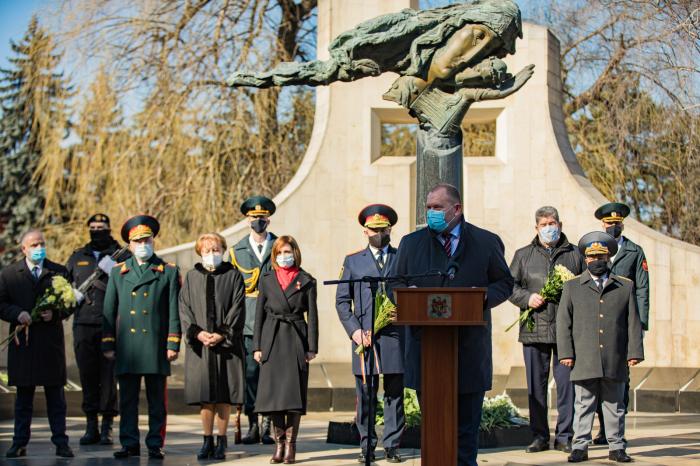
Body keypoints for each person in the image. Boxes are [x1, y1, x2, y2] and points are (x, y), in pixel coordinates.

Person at [395, 183, 514, 466]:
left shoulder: (486, 242)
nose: (431, 213)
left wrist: (481, 300)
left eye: (437, 207)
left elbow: (505, 282)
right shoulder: (411, 244)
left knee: (465, 431)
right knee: (434, 429)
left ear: (456, 209)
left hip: (469, 352)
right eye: (428, 207)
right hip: (427, 352)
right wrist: (409, 299)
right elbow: (394, 284)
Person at [557, 231, 644, 463]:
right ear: (586, 259)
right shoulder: (572, 286)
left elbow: (633, 322)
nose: (597, 261)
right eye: (592, 257)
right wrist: (565, 353)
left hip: (614, 357)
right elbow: (563, 321)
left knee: (615, 405)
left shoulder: (624, 286)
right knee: (583, 404)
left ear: (609, 259)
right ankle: (580, 447)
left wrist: (634, 352)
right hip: (584, 357)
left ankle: (617, 447)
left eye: (601, 257)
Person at [102, 215, 181, 459]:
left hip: (156, 345)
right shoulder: (118, 272)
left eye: (146, 240)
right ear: (130, 245)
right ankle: (129, 443)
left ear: (153, 241)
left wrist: (172, 342)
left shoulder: (167, 271)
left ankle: (155, 443)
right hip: (129, 347)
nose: (143, 245)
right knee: (127, 400)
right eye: (138, 241)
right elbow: (109, 310)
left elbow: (173, 310)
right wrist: (108, 342)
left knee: (157, 401)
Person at [508, 206, 584, 453]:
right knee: (536, 388)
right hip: (534, 330)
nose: (549, 228)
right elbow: (509, 286)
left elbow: (585, 286)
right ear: (536, 228)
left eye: (553, 223)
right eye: (544, 224)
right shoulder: (523, 255)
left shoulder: (575, 254)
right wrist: (527, 298)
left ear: (560, 225)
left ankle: (565, 436)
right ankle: (539, 436)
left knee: (566, 387)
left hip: (566, 332)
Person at [335, 204, 405, 463]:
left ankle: (392, 445)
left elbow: (411, 292)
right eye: (374, 229)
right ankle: (367, 446)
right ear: (365, 231)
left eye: (383, 229)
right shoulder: (353, 261)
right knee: (366, 394)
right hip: (365, 338)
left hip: (395, 336)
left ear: (390, 229)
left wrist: (405, 313)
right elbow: (342, 301)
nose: (379, 233)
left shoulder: (401, 257)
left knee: (394, 393)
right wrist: (354, 332)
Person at [0, 229, 76, 458]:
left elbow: (70, 303)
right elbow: (1, 303)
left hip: (49, 344)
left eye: (41, 243)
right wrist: (18, 314)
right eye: (33, 244)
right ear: (23, 249)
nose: (38, 248)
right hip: (24, 344)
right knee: (24, 398)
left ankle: (61, 442)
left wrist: (55, 313)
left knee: (56, 398)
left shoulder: (58, 272)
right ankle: (19, 442)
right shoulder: (9, 274)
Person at [179, 233, 246, 460]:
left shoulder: (233, 275)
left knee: (224, 396)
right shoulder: (191, 277)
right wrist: (197, 333)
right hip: (201, 346)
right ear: (200, 252)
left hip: (226, 346)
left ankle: (221, 439)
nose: (211, 254)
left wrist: (222, 333)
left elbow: (238, 307)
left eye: (216, 249)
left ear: (223, 250)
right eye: (207, 250)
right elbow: (185, 308)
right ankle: (206, 439)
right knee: (206, 396)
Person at [253, 236, 318, 464]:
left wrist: (312, 348)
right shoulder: (267, 278)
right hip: (272, 338)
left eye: (287, 252)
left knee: (293, 397)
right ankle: (278, 443)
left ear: (295, 253)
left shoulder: (306, 280)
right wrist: (257, 346)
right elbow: (258, 314)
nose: (283, 257)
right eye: (279, 253)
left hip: (295, 339)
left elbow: (313, 316)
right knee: (273, 397)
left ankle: (291, 445)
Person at [591, 202, 650, 445]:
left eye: (616, 224)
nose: (612, 227)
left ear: (622, 224)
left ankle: (617, 430)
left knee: (620, 378)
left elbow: (642, 289)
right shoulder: (592, 250)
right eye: (608, 224)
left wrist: (642, 325)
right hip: (598, 322)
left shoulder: (635, 251)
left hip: (624, 325)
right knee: (597, 376)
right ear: (601, 225)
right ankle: (604, 429)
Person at [66, 213, 127, 445]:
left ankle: (107, 426)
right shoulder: (78, 256)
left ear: (109, 228)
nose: (96, 230)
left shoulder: (121, 255)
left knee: (109, 377)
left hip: (111, 324)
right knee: (88, 375)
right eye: (92, 227)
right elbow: (64, 281)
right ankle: (91, 424)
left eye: (101, 227)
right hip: (83, 325)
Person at [229, 195, 278, 445]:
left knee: (270, 374)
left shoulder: (280, 246)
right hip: (248, 321)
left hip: (273, 319)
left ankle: (268, 424)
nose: (258, 221)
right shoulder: (236, 250)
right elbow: (232, 289)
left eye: (262, 217)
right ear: (247, 219)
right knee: (250, 374)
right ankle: (252, 424)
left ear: (268, 219)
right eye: (253, 217)